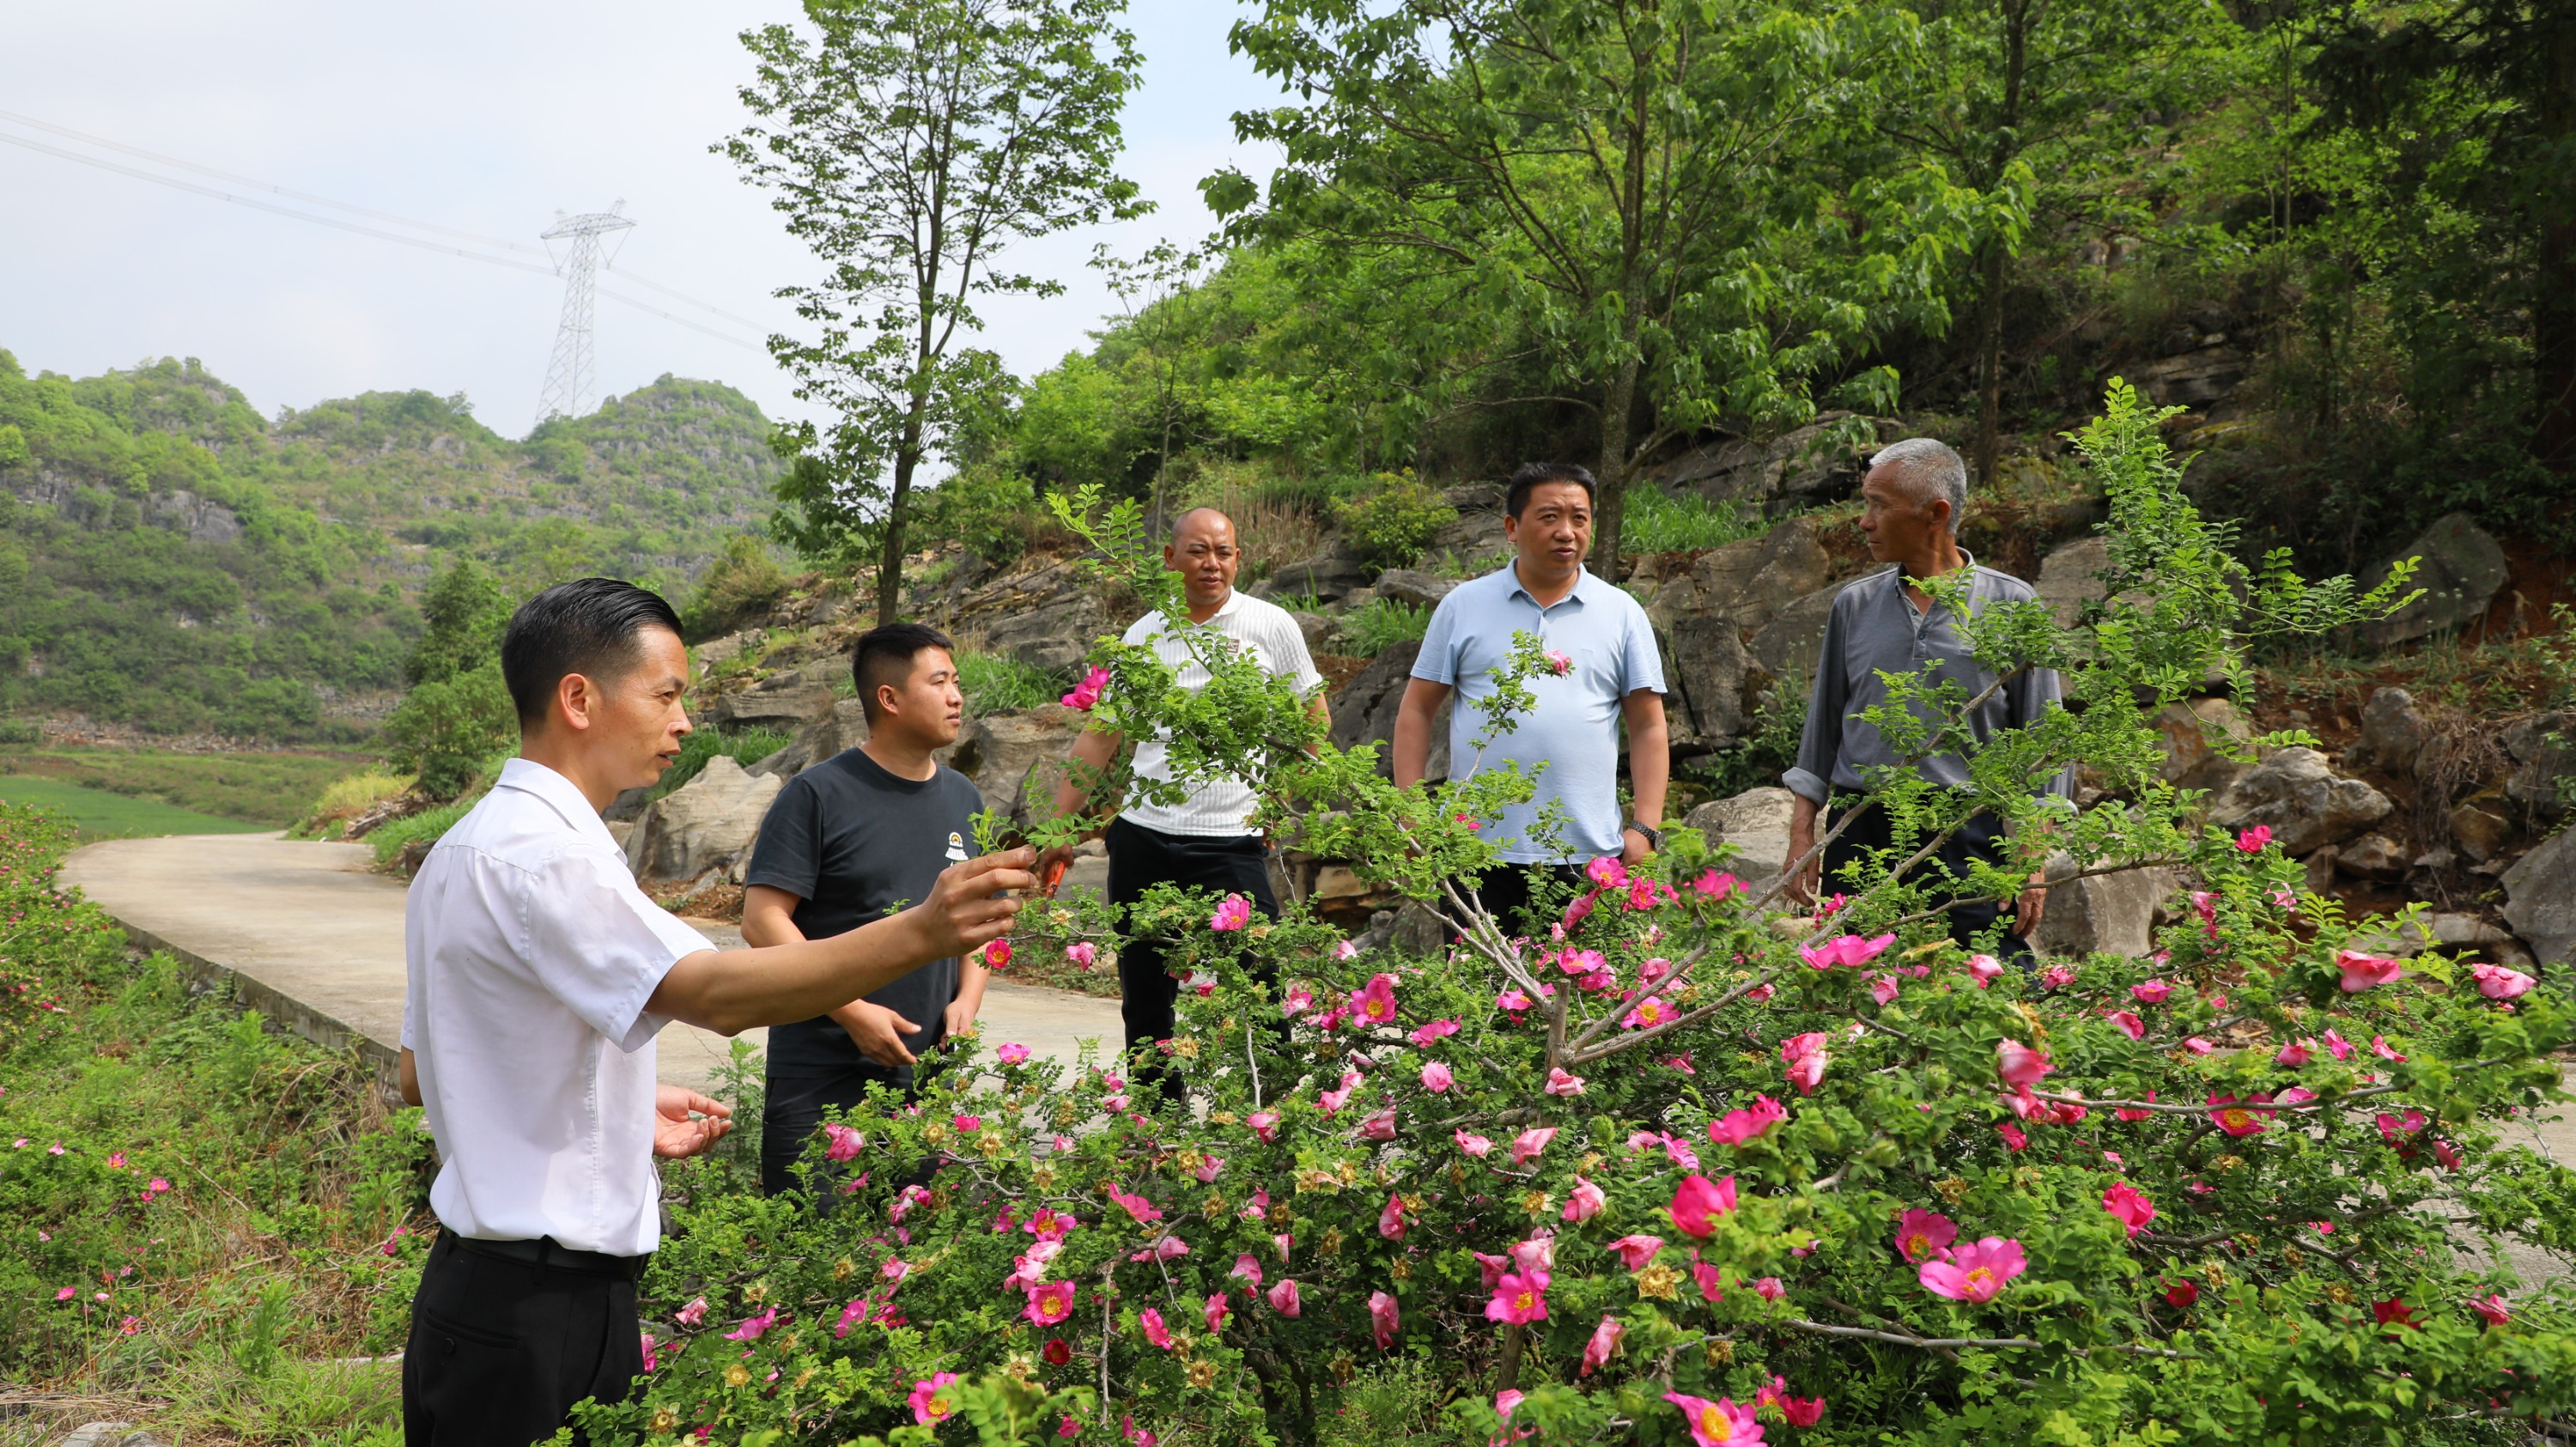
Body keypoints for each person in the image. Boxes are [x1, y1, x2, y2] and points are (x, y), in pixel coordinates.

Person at [398, 578, 1032, 1447]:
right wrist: (922, 931)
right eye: (668, 692)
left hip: (480, 1300)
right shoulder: (548, 856)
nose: (686, 720)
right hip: (540, 1311)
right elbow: (715, 993)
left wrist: (613, 1102)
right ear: (579, 697)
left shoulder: (466, 845)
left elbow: (419, 1065)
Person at [1036, 507, 1325, 1075]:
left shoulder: (1272, 626)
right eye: (1198, 550)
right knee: (1146, 999)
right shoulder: (1144, 634)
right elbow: (1100, 737)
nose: (1212, 563)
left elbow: (1314, 720)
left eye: (1224, 551)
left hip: (1232, 842)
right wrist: (1057, 828)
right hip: (1144, 840)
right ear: (1171, 559)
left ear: (1239, 558)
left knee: (1260, 983)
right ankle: (1156, 1128)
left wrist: (1280, 799)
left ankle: (1277, 1126)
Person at [1782, 437, 2065, 949]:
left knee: (1987, 988)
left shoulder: (2013, 605)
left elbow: (2044, 743)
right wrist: (1804, 834)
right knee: (1860, 990)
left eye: (1878, 505)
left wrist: (2032, 855)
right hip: (1860, 827)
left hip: (1967, 830)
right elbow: (1822, 729)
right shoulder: (1854, 606)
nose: (1864, 521)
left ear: (1936, 513)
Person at [739, 623, 988, 1199]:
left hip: (926, 1082)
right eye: (941, 681)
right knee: (816, 1259)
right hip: (822, 1073)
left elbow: (979, 919)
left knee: (922, 1266)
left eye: (958, 683)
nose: (957, 697)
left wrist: (967, 1000)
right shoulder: (818, 794)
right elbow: (762, 920)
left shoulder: (964, 799)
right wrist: (851, 1011)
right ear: (890, 697)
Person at [1393, 462, 1670, 936]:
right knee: (1477, 999)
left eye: (1579, 518)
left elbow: (1648, 725)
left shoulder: (1621, 612)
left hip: (1587, 854)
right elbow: (1417, 709)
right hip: (1475, 851)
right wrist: (1411, 816)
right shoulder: (1463, 606)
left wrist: (1644, 828)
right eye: (1549, 517)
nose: (1567, 532)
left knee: (1585, 1001)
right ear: (1511, 527)